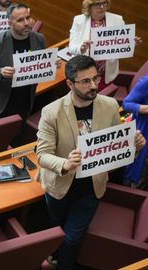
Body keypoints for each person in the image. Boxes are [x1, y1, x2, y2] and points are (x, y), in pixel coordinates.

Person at [36, 55, 146, 270]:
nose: (94, 85)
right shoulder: (51, 112)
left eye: (95, 78)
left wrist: (134, 148)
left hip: (91, 186)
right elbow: (42, 155)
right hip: (59, 185)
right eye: (85, 81)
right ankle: (54, 255)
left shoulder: (110, 105)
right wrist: (64, 164)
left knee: (72, 237)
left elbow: (118, 150)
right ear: (70, 83)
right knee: (56, 228)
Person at [0, 3, 45, 145]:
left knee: (18, 139)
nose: (27, 23)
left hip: (25, 100)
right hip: (1, 103)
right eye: (20, 20)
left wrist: (51, 64)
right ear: (10, 23)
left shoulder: (39, 39)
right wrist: (1, 72)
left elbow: (39, 67)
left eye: (28, 18)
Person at [68, 0, 142, 90]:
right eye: (97, 4)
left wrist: (131, 43)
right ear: (89, 6)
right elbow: (71, 48)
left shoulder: (117, 19)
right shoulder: (79, 20)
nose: (102, 7)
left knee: (102, 98)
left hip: (105, 72)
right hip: (83, 71)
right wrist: (82, 48)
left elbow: (121, 43)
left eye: (104, 3)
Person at [122, 75, 148, 188]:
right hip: (143, 137)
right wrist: (146, 109)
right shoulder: (146, 81)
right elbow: (126, 104)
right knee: (134, 184)